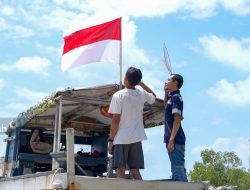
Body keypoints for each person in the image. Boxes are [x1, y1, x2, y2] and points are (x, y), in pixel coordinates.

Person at [108, 67, 156, 180]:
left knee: (120, 170)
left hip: (121, 138)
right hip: (136, 137)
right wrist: (142, 84)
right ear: (138, 81)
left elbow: (115, 120)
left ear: (125, 78)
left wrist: (111, 140)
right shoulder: (141, 94)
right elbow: (153, 96)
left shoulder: (118, 95)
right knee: (135, 171)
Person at [164, 74, 188, 182]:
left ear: (175, 83)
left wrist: (171, 139)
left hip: (176, 139)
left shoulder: (176, 97)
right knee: (177, 169)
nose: (165, 81)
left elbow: (177, 119)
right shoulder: (171, 96)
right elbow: (166, 108)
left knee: (177, 171)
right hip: (173, 139)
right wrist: (165, 94)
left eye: (168, 80)